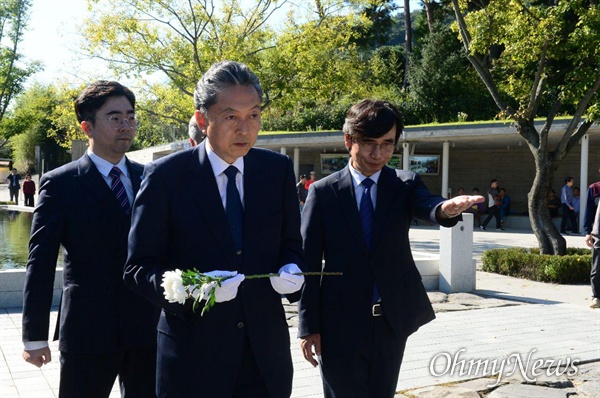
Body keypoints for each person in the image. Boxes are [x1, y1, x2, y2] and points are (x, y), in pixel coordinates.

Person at [124, 61, 305, 398]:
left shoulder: (276, 170)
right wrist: (195, 291)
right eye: (231, 116)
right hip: (194, 359)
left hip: (265, 358)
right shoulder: (166, 177)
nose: (245, 129)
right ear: (202, 119)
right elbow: (138, 268)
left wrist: (292, 269)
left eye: (254, 115)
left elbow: (291, 244)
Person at [298, 99, 484, 398]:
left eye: (387, 144)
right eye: (369, 143)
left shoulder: (405, 184)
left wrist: (446, 210)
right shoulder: (324, 193)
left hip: (390, 321)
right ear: (349, 141)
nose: (378, 153)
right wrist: (308, 325)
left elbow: (428, 205)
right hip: (338, 324)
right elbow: (308, 262)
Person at [21, 81, 159, 398]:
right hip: (88, 330)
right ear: (88, 127)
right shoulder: (61, 183)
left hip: (146, 329)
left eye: (130, 116)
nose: (126, 125)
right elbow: (40, 262)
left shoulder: (150, 178)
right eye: (114, 118)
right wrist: (34, 336)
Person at [584, 170, 600, 309]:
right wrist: (587, 232)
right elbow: (588, 211)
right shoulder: (594, 188)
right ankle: (596, 297)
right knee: (597, 267)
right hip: (598, 234)